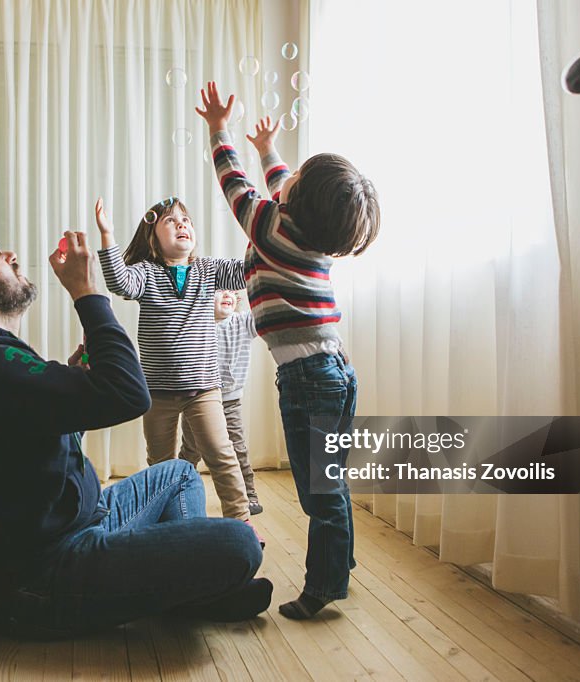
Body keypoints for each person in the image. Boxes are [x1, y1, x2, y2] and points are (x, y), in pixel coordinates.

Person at [0, 219, 271, 638]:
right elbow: (131, 393)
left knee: (180, 475)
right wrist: (86, 291)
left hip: (81, 524)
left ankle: (184, 585)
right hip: (45, 576)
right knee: (239, 543)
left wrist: (71, 379)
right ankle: (185, 587)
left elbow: (29, 433)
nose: (11, 256)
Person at [195, 81, 381, 620]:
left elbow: (236, 188)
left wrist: (219, 130)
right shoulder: (306, 232)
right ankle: (337, 562)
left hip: (310, 378)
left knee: (318, 492)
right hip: (330, 371)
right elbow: (281, 184)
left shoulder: (272, 229)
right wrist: (269, 150)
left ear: (296, 203)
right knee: (330, 481)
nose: (285, 178)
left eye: (294, 179)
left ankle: (323, 587)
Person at [94, 197, 255, 526]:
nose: (183, 224)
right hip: (157, 393)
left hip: (204, 389)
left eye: (187, 220)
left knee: (222, 456)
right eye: (171, 220)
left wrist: (260, 232)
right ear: (153, 238)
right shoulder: (146, 273)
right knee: (161, 465)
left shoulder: (208, 269)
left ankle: (242, 524)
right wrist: (107, 235)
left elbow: (245, 273)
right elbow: (119, 282)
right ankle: (165, 527)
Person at [179, 290, 263, 515]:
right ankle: (176, 492)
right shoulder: (197, 323)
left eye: (231, 292)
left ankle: (249, 494)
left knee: (237, 447)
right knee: (191, 449)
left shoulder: (243, 322)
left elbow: (263, 311)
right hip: (198, 400)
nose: (227, 295)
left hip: (230, 400)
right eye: (219, 291)